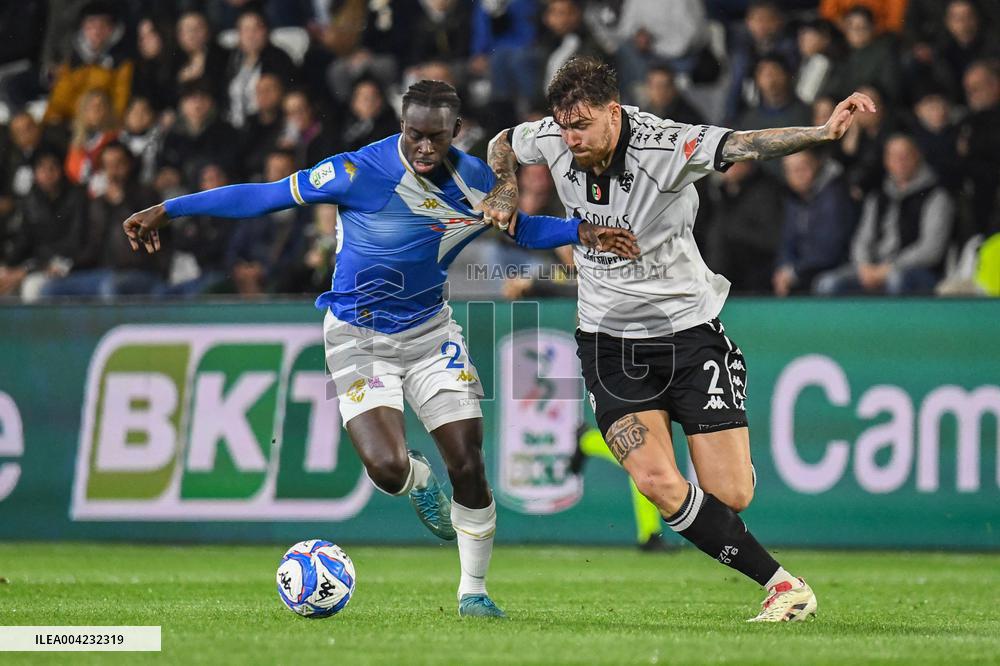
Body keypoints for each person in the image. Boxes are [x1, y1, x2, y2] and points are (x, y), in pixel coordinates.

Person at [121, 79, 639, 618]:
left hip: (430, 333)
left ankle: (473, 592)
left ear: (455, 132)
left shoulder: (476, 179)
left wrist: (583, 232)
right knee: (388, 468)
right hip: (358, 335)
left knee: (468, 462)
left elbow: (521, 228)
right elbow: (266, 195)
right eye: (413, 134)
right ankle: (417, 480)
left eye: (435, 137)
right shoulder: (355, 171)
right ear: (401, 126)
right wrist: (170, 208)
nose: (422, 147)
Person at [481, 56, 877, 622]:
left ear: (614, 115)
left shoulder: (664, 146)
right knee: (658, 482)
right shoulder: (551, 135)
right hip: (608, 342)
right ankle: (782, 584)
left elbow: (744, 144)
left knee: (732, 496)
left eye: (582, 126)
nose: (570, 139)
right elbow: (503, 140)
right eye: (564, 127)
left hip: (688, 333)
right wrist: (502, 187)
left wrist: (821, 131)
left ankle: (722, 440)